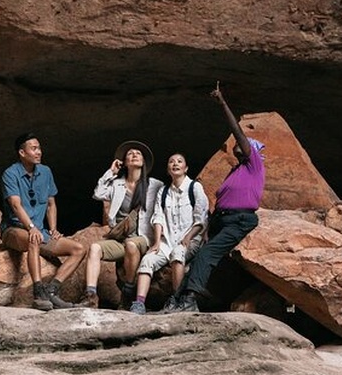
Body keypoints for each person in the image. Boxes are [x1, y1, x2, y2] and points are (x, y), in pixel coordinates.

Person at [165, 84, 265, 313]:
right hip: (222, 220)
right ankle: (177, 300)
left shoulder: (255, 164)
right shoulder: (236, 171)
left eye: (246, 145)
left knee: (207, 254)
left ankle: (189, 301)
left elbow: (237, 132)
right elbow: (222, 200)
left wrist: (222, 104)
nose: (240, 146)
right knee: (201, 256)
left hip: (240, 220)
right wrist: (209, 228)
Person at [0, 132, 86, 311]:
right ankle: (38, 292)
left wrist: (53, 229)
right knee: (34, 239)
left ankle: (51, 291)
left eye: (39, 148)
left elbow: (51, 204)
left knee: (78, 249)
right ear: (22, 153)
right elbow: (16, 205)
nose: (38, 152)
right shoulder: (10, 173)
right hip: (14, 230)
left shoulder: (46, 172)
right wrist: (31, 227)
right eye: (33, 148)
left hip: (41, 231)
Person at [78, 141, 163, 309]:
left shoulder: (155, 185)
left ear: (144, 162)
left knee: (131, 245)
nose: (135, 155)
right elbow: (97, 194)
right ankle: (90, 295)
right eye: (130, 153)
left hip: (142, 238)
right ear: (124, 161)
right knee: (95, 248)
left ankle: (128, 291)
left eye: (138, 154)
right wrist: (111, 172)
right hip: (120, 239)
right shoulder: (117, 184)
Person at [129, 153, 208, 314]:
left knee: (178, 254)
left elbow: (202, 217)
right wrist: (157, 242)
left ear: (186, 168)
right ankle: (139, 303)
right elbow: (158, 217)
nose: (175, 164)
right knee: (148, 259)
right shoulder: (163, 192)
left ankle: (178, 299)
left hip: (190, 239)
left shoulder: (194, 187)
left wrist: (189, 236)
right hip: (168, 241)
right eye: (171, 161)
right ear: (168, 169)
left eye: (179, 161)